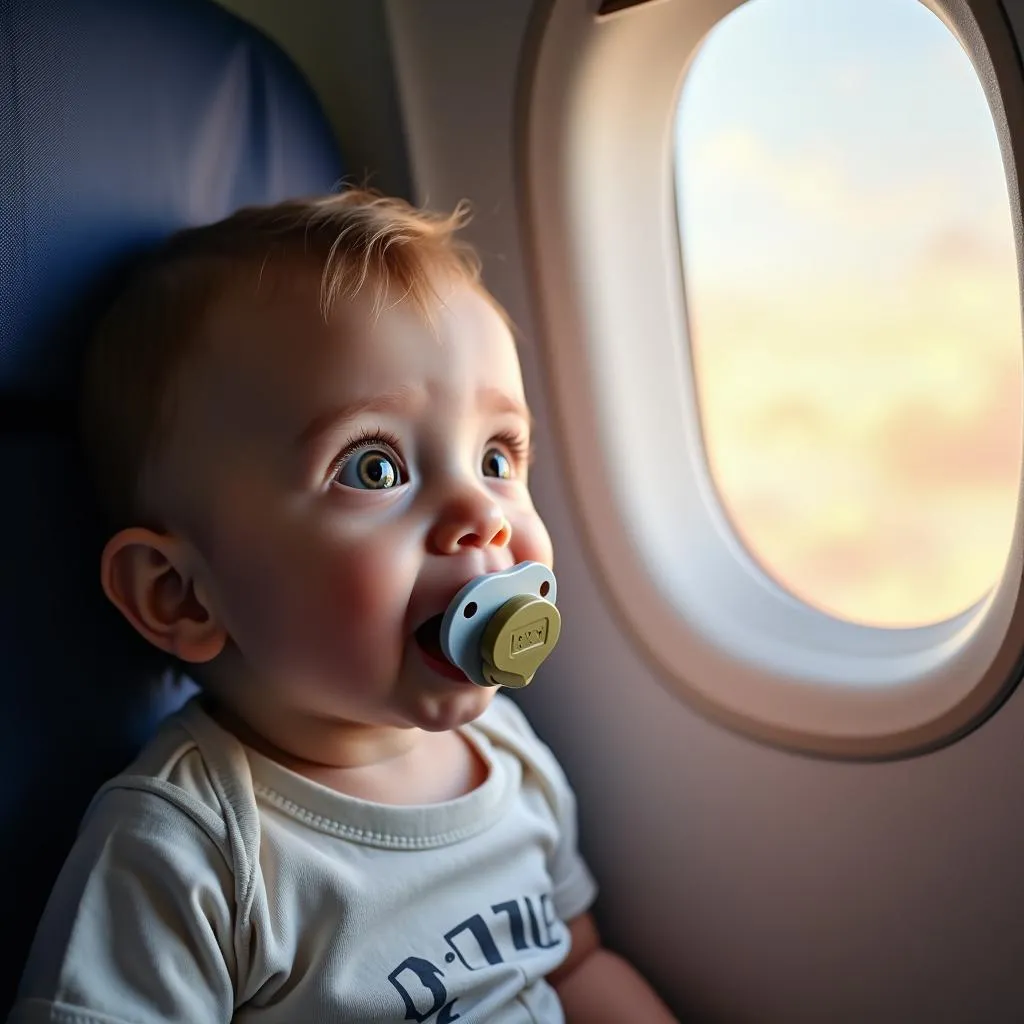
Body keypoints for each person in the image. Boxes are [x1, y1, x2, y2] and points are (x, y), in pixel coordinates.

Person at [9, 190, 678, 1023]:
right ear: (181, 593)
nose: (483, 515)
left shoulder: (511, 754)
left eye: (497, 457)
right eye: (374, 468)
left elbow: (575, 964)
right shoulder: (193, 850)